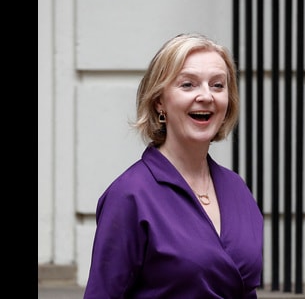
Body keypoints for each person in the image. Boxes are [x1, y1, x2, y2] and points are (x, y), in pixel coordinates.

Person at [83, 33, 263, 298]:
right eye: (188, 84)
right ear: (159, 102)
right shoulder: (130, 195)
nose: (206, 96)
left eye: (217, 85)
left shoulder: (237, 189)